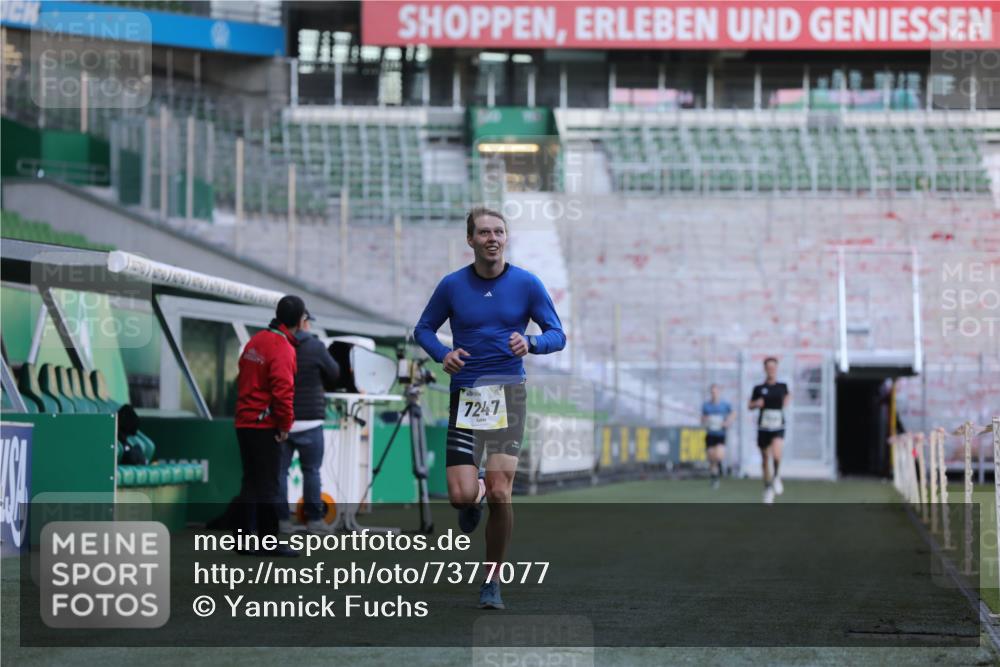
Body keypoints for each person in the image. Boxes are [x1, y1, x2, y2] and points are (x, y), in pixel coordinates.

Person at [414, 206, 565, 610]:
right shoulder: (452, 286)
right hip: (467, 394)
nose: (492, 238)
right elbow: (423, 328)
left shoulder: (527, 284)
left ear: (506, 238)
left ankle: (491, 581)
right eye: (483, 232)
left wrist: (531, 343)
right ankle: (473, 492)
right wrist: (441, 354)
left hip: (509, 394)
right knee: (461, 496)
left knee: (502, 493)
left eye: (499, 231)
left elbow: (557, 334)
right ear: (471, 240)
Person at [234, 294, 309, 557]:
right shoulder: (282, 348)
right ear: (300, 321)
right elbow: (283, 392)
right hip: (264, 426)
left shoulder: (255, 341)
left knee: (251, 482)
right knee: (268, 485)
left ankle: (243, 540)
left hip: (244, 422)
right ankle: (268, 542)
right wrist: (285, 425)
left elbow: (242, 376)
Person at [278, 311, 339, 534]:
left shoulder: (280, 344)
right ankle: (315, 521)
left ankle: (282, 522)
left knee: (280, 472)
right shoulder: (316, 346)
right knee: (311, 471)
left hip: (283, 421)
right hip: (311, 421)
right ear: (303, 323)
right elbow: (334, 372)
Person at [748, 357, 791, 504]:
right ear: (765, 369)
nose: (771, 370)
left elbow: (787, 399)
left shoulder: (782, 386)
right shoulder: (758, 388)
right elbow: (750, 405)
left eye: (773, 367)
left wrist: (786, 400)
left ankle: (777, 475)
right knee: (765, 459)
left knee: (777, 454)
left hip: (777, 425)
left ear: (777, 369)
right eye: (769, 367)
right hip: (763, 427)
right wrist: (756, 403)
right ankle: (767, 488)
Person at [701, 384, 733, 489]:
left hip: (720, 435)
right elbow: (703, 418)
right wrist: (705, 420)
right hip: (710, 434)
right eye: (712, 392)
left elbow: (733, 413)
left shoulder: (724, 405)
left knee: (718, 456)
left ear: (719, 392)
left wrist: (728, 421)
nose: (714, 394)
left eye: (716, 392)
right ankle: (714, 477)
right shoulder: (706, 405)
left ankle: (718, 467)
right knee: (711, 457)